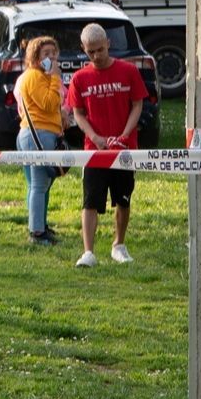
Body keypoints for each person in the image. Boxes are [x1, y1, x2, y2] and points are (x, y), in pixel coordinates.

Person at [64, 22, 153, 267]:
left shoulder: (128, 71)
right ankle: (88, 252)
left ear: (108, 45)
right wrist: (95, 138)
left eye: (100, 50)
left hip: (124, 149)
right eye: (90, 51)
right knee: (90, 200)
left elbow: (137, 104)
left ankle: (119, 244)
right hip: (94, 151)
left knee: (123, 199)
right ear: (83, 49)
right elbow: (78, 113)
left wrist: (125, 135)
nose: (96, 56)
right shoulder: (80, 78)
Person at [14, 35, 67, 247]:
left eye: (54, 54)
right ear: (35, 57)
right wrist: (55, 78)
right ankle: (37, 232)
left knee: (40, 184)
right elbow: (47, 103)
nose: (52, 58)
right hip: (37, 134)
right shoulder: (34, 76)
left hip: (42, 133)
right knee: (38, 184)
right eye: (46, 54)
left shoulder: (42, 77)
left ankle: (40, 225)